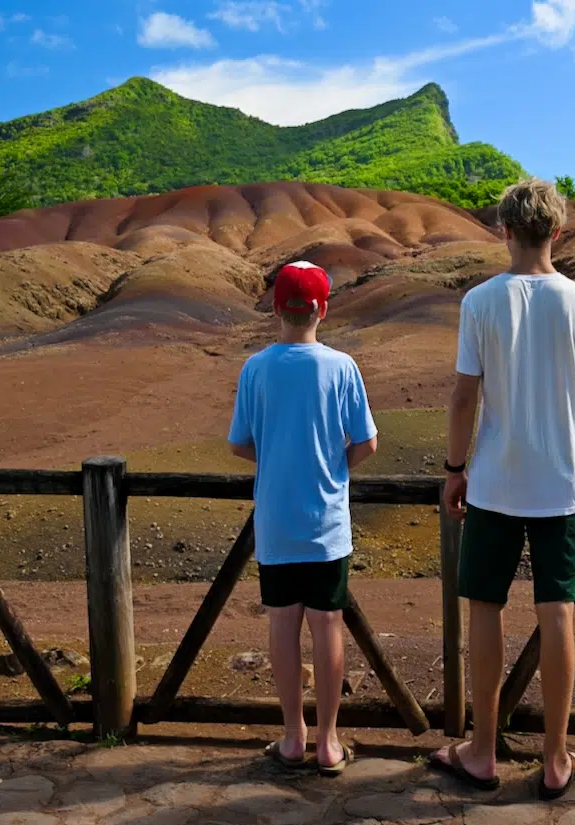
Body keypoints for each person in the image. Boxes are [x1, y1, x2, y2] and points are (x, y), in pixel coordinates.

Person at [431, 179, 575, 799]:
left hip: (493, 483)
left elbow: (463, 396)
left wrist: (455, 468)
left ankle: (482, 750)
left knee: (485, 606)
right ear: (557, 233)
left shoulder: (480, 302)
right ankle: (557, 758)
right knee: (557, 611)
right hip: (562, 485)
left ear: (503, 231)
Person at [228, 260, 378, 776]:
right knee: (327, 626)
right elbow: (367, 443)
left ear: (276, 308)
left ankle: (293, 737)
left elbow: (239, 443)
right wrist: (335, 466)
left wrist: (275, 458)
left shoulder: (256, 368)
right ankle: (329, 743)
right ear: (323, 308)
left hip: (276, 520)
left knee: (282, 625)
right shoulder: (341, 367)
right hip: (326, 523)